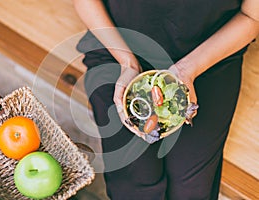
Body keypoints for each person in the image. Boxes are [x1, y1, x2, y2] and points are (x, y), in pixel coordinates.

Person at [73, 0, 259, 199]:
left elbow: (251, 17)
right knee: (134, 186)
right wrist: (128, 63)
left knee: (192, 191)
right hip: (117, 47)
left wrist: (188, 69)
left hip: (210, 58)